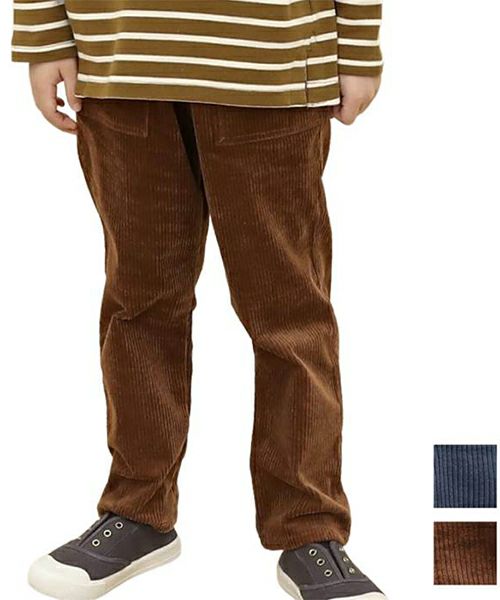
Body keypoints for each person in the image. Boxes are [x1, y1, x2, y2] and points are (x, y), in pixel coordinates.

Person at [12, 1, 385, 599]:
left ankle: (309, 529)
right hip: (119, 58)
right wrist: (44, 32)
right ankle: (138, 510)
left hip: (270, 60)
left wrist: (359, 44)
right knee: (138, 304)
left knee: (290, 315)